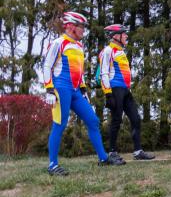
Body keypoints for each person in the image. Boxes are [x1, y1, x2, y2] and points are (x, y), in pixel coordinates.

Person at [43, 11, 124, 176]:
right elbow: (46, 66)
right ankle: (52, 165)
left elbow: (78, 71)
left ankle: (103, 158)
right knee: (60, 124)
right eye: (82, 27)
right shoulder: (59, 43)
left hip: (75, 91)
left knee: (93, 120)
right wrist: (49, 90)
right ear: (72, 27)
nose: (83, 31)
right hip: (60, 88)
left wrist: (83, 89)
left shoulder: (79, 46)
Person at [98, 24, 155, 163]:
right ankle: (112, 152)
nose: (126, 36)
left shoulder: (121, 51)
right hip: (115, 89)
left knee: (136, 118)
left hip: (125, 90)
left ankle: (137, 151)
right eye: (124, 34)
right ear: (116, 36)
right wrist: (108, 94)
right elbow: (103, 73)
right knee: (116, 121)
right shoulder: (108, 51)